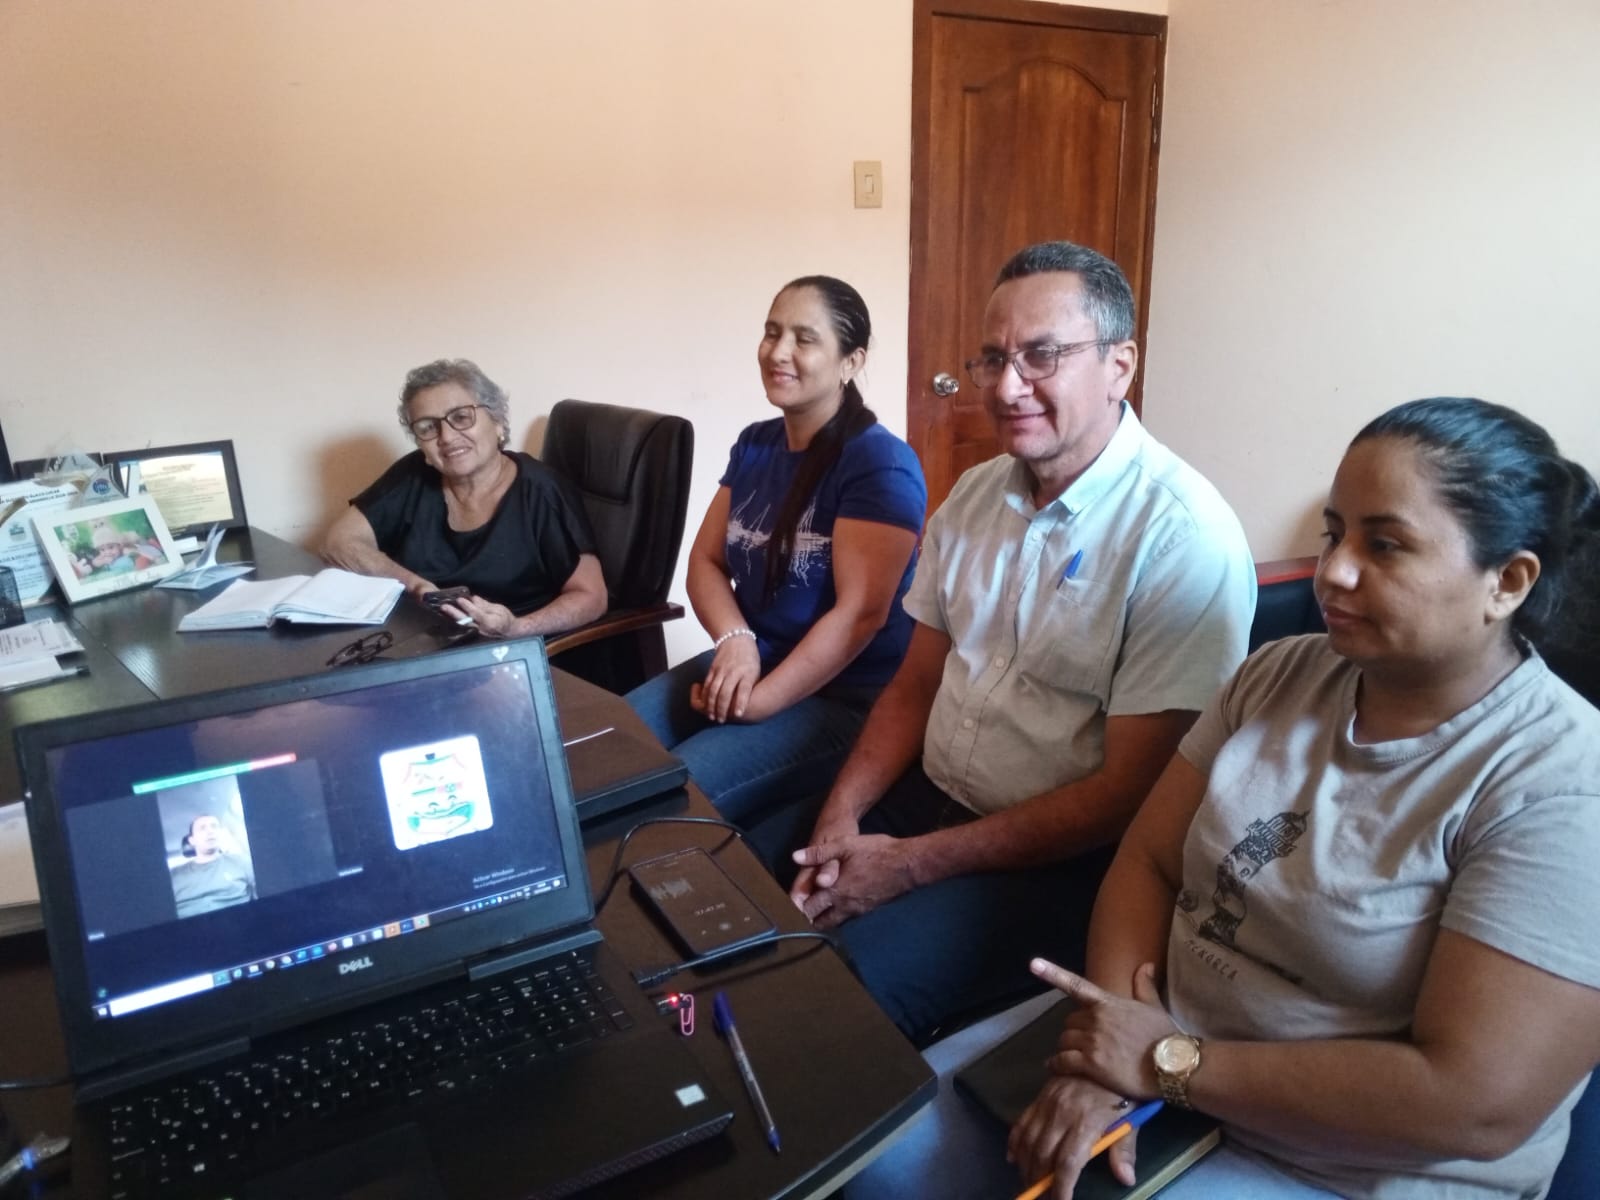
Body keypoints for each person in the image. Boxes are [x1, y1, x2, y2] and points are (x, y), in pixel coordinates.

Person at [1009, 397, 1600, 1200]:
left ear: (1508, 581)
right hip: (1153, 1066)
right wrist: (1108, 1055)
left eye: (1384, 545)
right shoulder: (1278, 673)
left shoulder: (1560, 786)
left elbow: (1473, 1103)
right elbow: (1148, 861)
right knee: (899, 1156)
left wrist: (1164, 1063)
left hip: (1340, 1163)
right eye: (1334, 533)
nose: (1334, 571)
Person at [769, 241, 1256, 1044]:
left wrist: (909, 865)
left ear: (1120, 365)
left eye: (1042, 356)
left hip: (1059, 863)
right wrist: (841, 821)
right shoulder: (973, 495)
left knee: (836, 1005)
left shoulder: (1183, 538)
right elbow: (915, 686)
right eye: (993, 358)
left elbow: (1128, 794)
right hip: (926, 795)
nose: (1006, 387)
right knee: (750, 888)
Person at [625, 276, 926, 823]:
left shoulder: (879, 464)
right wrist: (736, 641)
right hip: (756, 661)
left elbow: (860, 616)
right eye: (771, 332)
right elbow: (705, 562)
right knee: (603, 746)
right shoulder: (756, 443)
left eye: (804, 338)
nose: (778, 351)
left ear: (851, 361)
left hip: (845, 698)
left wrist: (758, 702)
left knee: (661, 802)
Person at [322, 358, 607, 638]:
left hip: (513, 648)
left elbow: (592, 597)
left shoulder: (542, 491)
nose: (446, 437)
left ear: (497, 421)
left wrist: (517, 628)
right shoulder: (413, 475)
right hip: (424, 641)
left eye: (460, 417)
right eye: (428, 427)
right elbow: (339, 542)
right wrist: (414, 585)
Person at [170, 813, 256, 918]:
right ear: (192, 840)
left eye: (214, 826)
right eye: (202, 828)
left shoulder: (241, 861)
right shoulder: (173, 875)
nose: (210, 831)